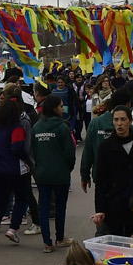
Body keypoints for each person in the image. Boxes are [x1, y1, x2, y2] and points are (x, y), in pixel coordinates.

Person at [90, 106, 133, 237]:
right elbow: (100, 180)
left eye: (123, 119)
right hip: (114, 202)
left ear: (130, 121)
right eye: (116, 120)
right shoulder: (105, 147)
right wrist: (100, 209)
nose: (119, 123)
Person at [0, 96, 33, 247]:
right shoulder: (17, 127)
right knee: (20, 198)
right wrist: (27, 160)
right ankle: (13, 228)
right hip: (15, 168)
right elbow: (18, 147)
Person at [31, 94, 76, 251]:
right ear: (54, 108)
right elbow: (70, 154)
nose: (62, 108)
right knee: (60, 207)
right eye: (60, 106)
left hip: (42, 173)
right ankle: (60, 238)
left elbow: (33, 152)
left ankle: (47, 243)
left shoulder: (36, 128)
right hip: (60, 174)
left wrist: (36, 169)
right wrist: (67, 169)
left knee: (43, 207)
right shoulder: (63, 128)